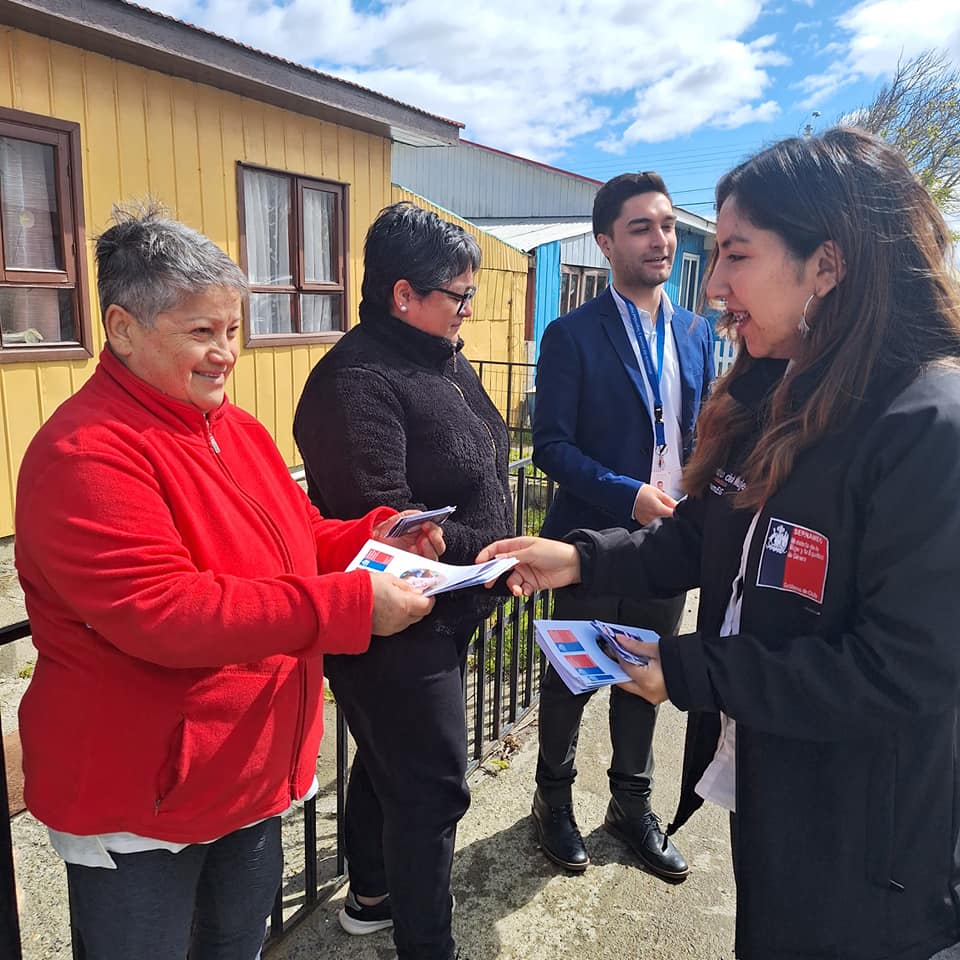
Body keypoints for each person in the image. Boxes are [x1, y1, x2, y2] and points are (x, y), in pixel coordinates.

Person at [479, 128, 960, 960]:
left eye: (735, 255)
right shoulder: (777, 393)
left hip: (867, 833)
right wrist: (583, 557)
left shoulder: (927, 427)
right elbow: (700, 539)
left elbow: (902, 668)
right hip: (774, 779)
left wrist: (692, 670)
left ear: (827, 265)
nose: (716, 286)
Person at [13, 203, 440, 960]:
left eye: (233, 331)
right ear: (122, 328)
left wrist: (368, 537)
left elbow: (291, 535)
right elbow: (166, 612)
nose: (225, 355)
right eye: (201, 333)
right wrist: (348, 604)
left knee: (237, 946)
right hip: (143, 800)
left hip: (245, 775)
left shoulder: (232, 428)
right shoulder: (86, 452)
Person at [293, 202, 513, 960]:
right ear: (403, 295)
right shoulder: (353, 385)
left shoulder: (438, 355)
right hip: (397, 627)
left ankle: (372, 893)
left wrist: (492, 559)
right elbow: (393, 536)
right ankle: (428, 944)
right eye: (458, 296)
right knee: (431, 788)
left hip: (452, 609)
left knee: (388, 761)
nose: (468, 313)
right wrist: (486, 549)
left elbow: (479, 456)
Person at [530, 172, 713, 879]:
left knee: (645, 676)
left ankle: (630, 807)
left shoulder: (696, 332)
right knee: (571, 679)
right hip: (590, 542)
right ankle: (553, 799)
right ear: (607, 243)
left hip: (668, 548)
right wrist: (627, 495)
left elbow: (698, 433)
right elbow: (551, 445)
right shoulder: (572, 333)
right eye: (641, 227)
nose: (661, 238)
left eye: (666, 224)